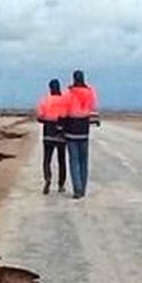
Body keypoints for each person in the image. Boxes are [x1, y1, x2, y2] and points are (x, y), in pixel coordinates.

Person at [63, 69, 99, 198]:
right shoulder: (90, 92)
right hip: (84, 131)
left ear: (74, 79)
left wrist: (61, 128)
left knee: (74, 161)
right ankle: (83, 188)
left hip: (71, 131)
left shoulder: (68, 94)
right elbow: (93, 110)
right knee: (84, 161)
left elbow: (63, 113)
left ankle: (77, 188)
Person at [35, 78, 68, 195]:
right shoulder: (65, 101)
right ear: (59, 87)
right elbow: (68, 116)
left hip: (48, 133)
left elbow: (39, 117)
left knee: (47, 160)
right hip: (62, 135)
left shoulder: (45, 100)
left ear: (50, 88)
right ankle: (61, 185)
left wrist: (48, 119)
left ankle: (48, 178)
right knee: (62, 160)